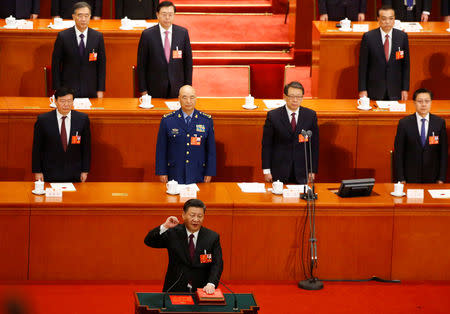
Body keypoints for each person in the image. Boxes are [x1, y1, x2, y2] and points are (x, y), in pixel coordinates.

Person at [144, 199, 223, 294]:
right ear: (183, 215)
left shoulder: (212, 237)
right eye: (192, 215)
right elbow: (149, 241)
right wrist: (165, 226)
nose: (196, 219)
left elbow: (217, 263)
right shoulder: (173, 233)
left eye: (200, 216)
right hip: (175, 287)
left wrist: (211, 283)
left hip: (202, 289)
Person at [155, 85, 216, 184]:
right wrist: (162, 172)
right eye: (184, 97)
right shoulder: (168, 120)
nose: (188, 101)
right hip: (174, 172)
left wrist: (209, 172)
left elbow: (211, 150)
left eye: (192, 97)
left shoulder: (206, 121)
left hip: (198, 172)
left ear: (196, 99)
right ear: (179, 99)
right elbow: (161, 149)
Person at [261, 81, 319, 184]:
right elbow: (267, 145)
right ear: (284, 97)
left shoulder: (310, 116)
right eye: (291, 96)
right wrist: (266, 170)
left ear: (302, 97)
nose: (295, 100)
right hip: (279, 170)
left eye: (298, 97)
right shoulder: (273, 116)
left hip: (302, 170)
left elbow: (314, 146)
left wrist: (312, 170)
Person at [32, 87, 91, 182]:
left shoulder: (82, 119)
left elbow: (86, 147)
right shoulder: (43, 120)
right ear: (55, 101)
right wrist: (37, 171)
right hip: (50, 172)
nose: (66, 104)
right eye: (62, 101)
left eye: (69, 101)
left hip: (74, 172)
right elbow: (37, 148)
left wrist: (85, 170)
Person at [137, 1, 193, 98]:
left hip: (177, 88)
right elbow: (141, 65)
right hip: (154, 88)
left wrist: (187, 88)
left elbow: (188, 63)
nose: (167, 18)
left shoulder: (182, 33)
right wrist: (143, 90)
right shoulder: (147, 35)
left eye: (170, 15)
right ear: (157, 15)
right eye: (164, 14)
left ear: (174, 15)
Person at [51, 1, 106, 99]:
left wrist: (100, 89)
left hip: (91, 88)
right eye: (80, 15)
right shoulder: (63, 36)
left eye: (86, 16)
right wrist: (57, 89)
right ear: (73, 17)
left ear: (90, 17)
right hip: (68, 90)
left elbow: (101, 66)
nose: (83, 19)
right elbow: (55, 65)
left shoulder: (97, 37)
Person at [394, 88, 448, 183]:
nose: (423, 104)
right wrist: (401, 178)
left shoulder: (439, 123)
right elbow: (399, 153)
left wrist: (441, 178)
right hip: (410, 177)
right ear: (414, 103)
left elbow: (443, 153)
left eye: (427, 101)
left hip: (433, 177)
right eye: (420, 101)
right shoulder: (404, 123)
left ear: (431, 102)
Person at [358, 5, 410, 101]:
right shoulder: (368, 37)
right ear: (378, 19)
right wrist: (362, 89)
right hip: (374, 89)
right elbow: (363, 66)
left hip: (395, 89)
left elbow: (406, 66)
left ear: (394, 19)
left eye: (391, 19)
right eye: (384, 19)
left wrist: (405, 89)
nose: (387, 22)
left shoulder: (402, 37)